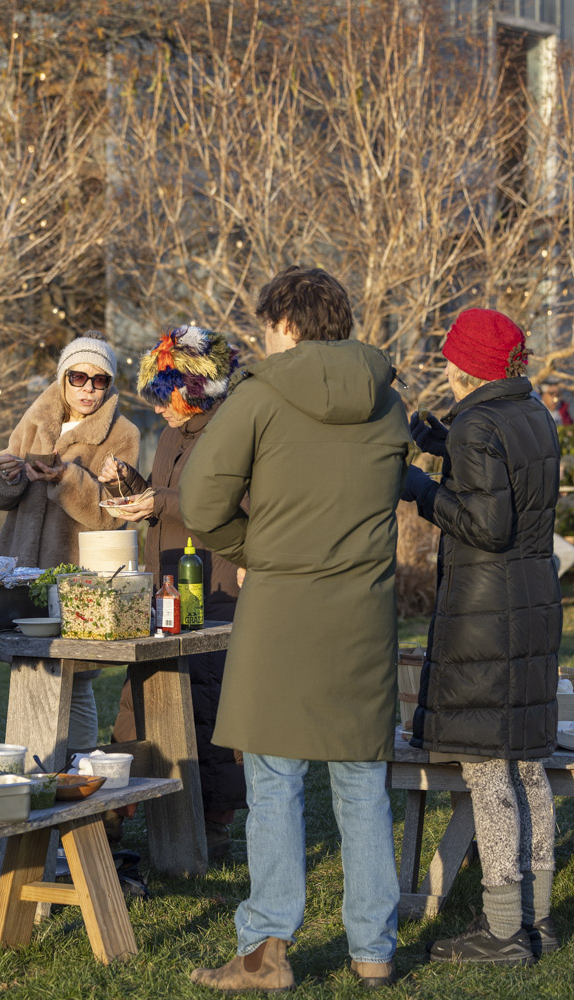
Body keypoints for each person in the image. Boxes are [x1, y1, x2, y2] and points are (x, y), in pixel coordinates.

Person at [182, 266, 405, 992]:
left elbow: (200, 502)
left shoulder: (260, 395)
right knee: (363, 785)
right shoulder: (388, 399)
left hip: (281, 612)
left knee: (275, 783)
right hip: (363, 615)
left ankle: (266, 953)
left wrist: (257, 552)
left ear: (284, 325)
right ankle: (373, 952)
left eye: (265, 327)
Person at [402, 308, 562, 965]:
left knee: (488, 769)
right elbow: (510, 477)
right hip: (532, 602)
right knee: (526, 765)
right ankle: (537, 920)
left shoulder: (478, 424)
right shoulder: (531, 411)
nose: (444, 366)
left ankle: (501, 933)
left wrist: (419, 487)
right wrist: (445, 446)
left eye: (449, 357)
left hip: (485, 612)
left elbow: (486, 525)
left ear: (466, 366)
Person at [96, 325, 245, 860]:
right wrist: (128, 484)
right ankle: (110, 812)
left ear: (194, 390)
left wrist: (157, 500)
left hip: (216, 581)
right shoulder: (171, 434)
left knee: (209, 701)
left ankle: (213, 823)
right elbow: (167, 497)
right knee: (139, 694)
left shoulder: (233, 430)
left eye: (165, 398)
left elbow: (230, 503)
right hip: (164, 582)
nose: (157, 410)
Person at [0, 334, 139, 749]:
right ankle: (34, 770)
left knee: (76, 681)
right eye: (79, 377)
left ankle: (80, 773)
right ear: (63, 377)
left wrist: (66, 479)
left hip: (77, 577)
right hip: (23, 571)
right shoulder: (35, 418)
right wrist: (3, 475)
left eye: (100, 380)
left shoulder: (122, 434)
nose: (89, 388)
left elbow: (113, 515)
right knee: (27, 673)